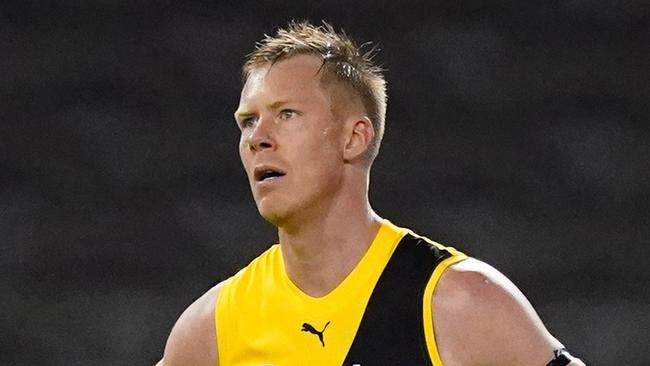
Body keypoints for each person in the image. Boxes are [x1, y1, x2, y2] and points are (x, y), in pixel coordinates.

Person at [157, 21, 585, 366]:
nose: (258, 139)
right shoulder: (214, 328)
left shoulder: (458, 303)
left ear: (354, 138)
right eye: (248, 121)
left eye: (286, 114)